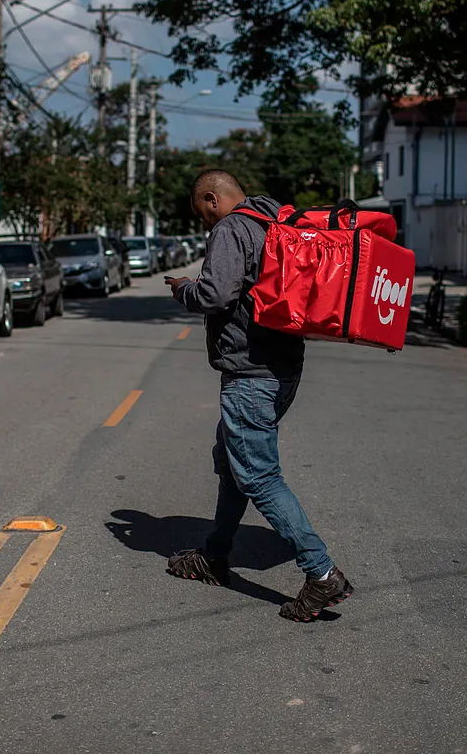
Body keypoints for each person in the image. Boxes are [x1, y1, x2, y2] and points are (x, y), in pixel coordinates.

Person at [163, 169, 353, 622]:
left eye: (202, 215)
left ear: (212, 199)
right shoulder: (275, 219)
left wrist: (183, 289)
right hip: (284, 368)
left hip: (250, 374)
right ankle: (214, 556)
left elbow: (216, 294)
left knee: (260, 476)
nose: (206, 225)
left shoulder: (232, 228)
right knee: (234, 465)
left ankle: (321, 573)